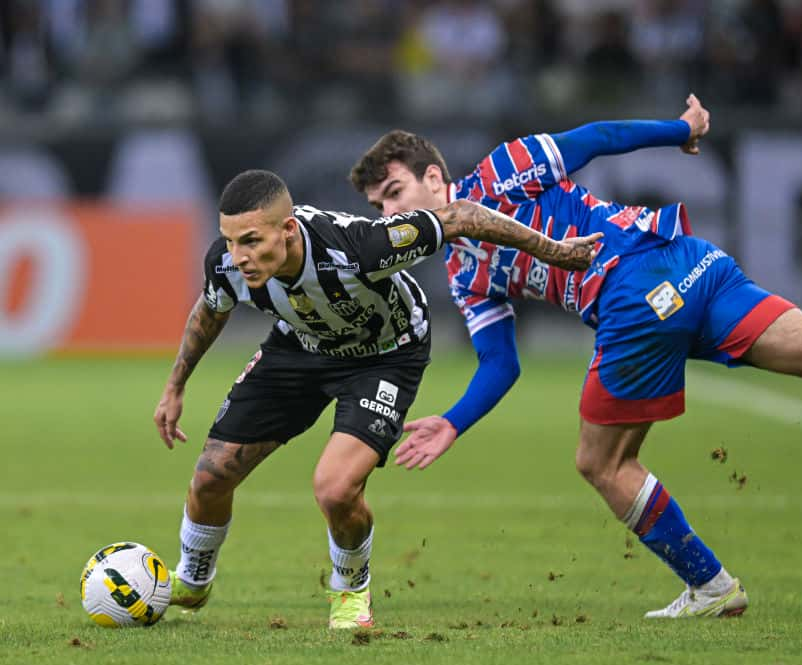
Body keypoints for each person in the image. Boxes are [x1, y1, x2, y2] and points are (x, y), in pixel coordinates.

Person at [349, 95, 802, 619]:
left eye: (396, 195)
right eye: (379, 208)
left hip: (634, 290)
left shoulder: (498, 172)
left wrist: (679, 131)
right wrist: (454, 420)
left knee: (599, 461)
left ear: (434, 178)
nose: (388, 216)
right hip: (690, 261)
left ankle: (711, 585)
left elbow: (595, 138)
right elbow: (501, 364)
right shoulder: (466, 277)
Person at [152, 169, 599, 630]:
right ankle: (193, 578)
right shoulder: (226, 264)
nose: (237, 257)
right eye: (228, 241)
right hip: (301, 348)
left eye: (249, 241)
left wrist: (556, 252)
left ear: (287, 230)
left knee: (335, 487)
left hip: (386, 357)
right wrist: (175, 385)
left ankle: (350, 589)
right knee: (210, 477)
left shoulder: (360, 247)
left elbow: (462, 215)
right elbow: (211, 306)